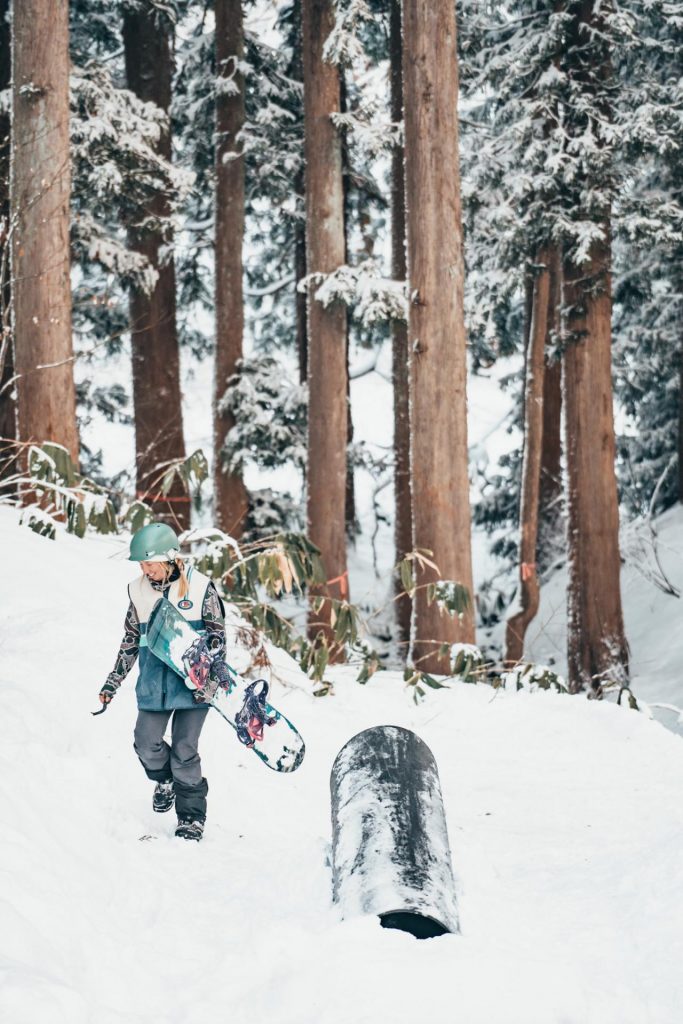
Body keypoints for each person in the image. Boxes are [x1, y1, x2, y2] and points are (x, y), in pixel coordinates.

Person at [99, 522, 226, 842]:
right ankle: (165, 779)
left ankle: (191, 818)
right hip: (154, 684)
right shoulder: (138, 591)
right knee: (145, 741)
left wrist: (212, 673)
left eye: (150, 563)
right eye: (141, 564)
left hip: (195, 687)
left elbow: (218, 636)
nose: (145, 570)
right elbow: (131, 639)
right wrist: (112, 682)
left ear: (170, 558)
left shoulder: (199, 587)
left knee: (185, 749)